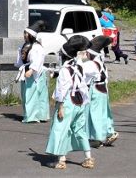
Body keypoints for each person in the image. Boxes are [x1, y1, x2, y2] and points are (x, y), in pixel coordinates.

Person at [45, 35, 94, 170]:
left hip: (67, 103)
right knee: (79, 130)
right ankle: (88, 158)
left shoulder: (65, 70)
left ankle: (61, 160)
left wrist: (60, 106)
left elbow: (62, 89)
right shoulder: (79, 66)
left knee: (60, 129)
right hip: (80, 102)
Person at [83, 35, 119, 147]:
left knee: (95, 114)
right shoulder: (101, 63)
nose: (86, 54)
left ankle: (97, 138)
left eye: (87, 52)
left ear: (91, 53)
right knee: (104, 113)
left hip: (95, 91)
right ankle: (109, 132)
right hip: (103, 90)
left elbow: (80, 73)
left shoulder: (90, 64)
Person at [15, 21, 50, 123]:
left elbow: (38, 60)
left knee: (36, 94)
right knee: (27, 95)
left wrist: (32, 69)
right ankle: (30, 115)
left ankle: (37, 116)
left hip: (35, 73)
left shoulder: (37, 47)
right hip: (26, 71)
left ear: (31, 35)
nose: (24, 35)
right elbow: (20, 61)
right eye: (24, 33)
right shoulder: (23, 46)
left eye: (26, 33)